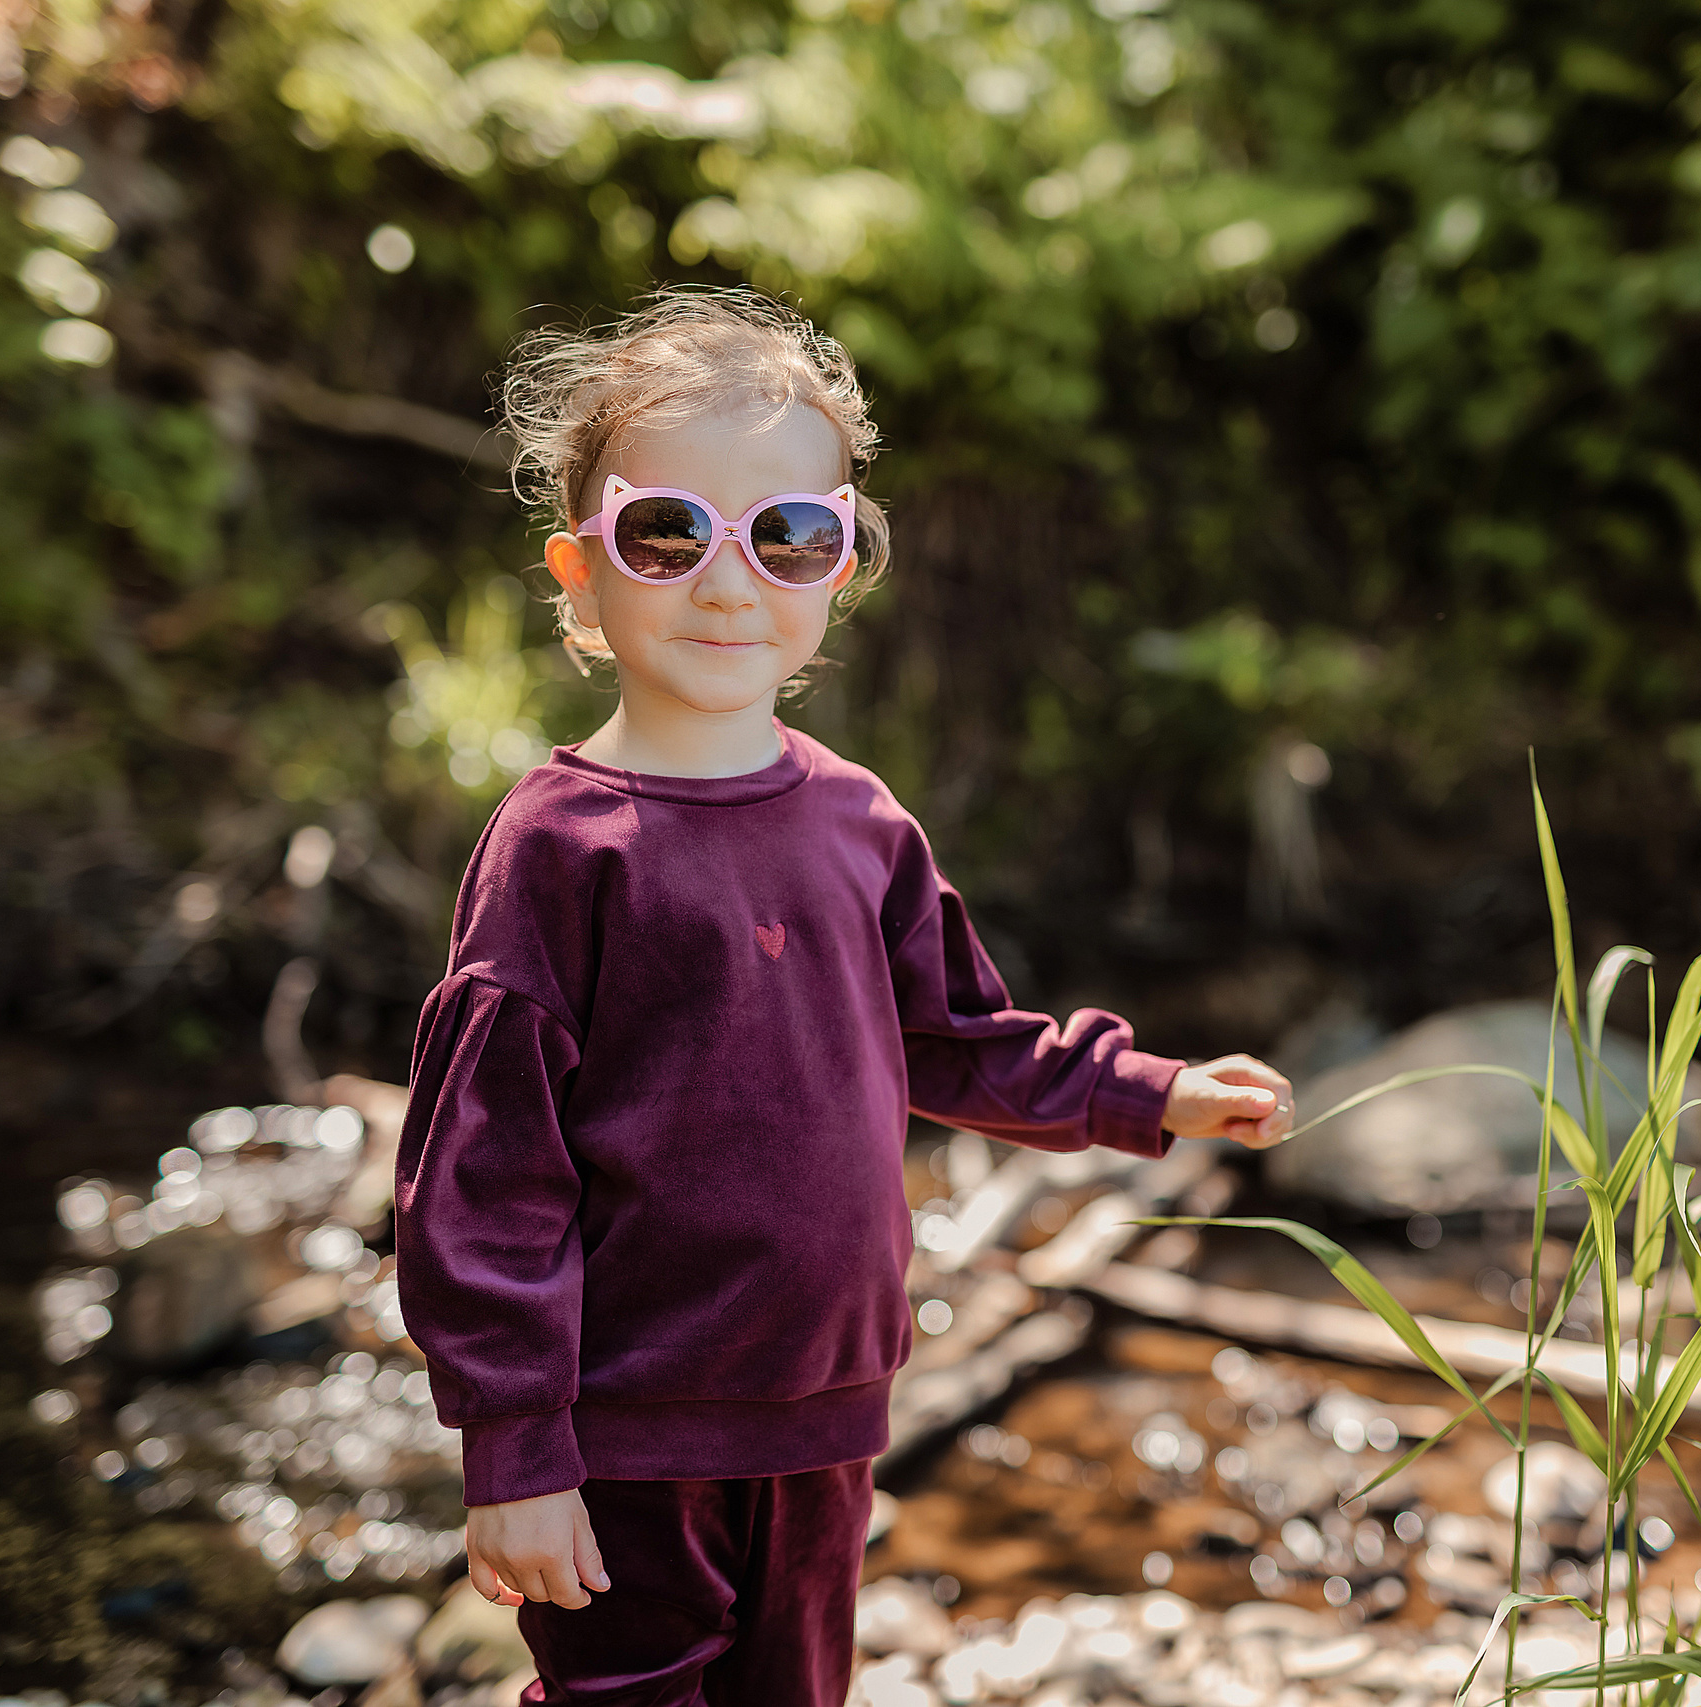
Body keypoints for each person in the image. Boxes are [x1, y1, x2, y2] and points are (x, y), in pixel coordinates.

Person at [393, 287, 1295, 1707]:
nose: (730, 582)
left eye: (790, 536)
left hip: (827, 1409)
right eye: (668, 532)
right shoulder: (563, 847)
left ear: (842, 566)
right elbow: (483, 1177)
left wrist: (1145, 1091)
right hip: (630, 1422)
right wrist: (517, 1450)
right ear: (577, 568)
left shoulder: (859, 823)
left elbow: (955, 1039)